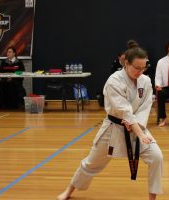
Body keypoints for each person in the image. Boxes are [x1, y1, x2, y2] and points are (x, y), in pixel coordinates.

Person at [58, 47, 163, 200]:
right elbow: (124, 110)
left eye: (143, 68)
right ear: (126, 63)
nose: (140, 72)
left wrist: (138, 129)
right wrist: (139, 133)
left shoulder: (145, 81)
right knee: (91, 163)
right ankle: (69, 190)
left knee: (157, 157)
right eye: (137, 68)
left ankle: (152, 198)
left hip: (137, 127)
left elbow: (145, 106)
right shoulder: (114, 81)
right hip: (113, 129)